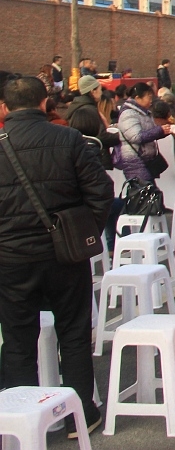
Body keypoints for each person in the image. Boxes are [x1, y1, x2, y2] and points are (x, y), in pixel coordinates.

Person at [0, 76, 112, 438]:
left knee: (18, 339)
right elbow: (101, 191)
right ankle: (80, 414)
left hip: (10, 257)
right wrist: (83, 231)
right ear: (44, 102)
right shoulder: (69, 139)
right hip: (65, 253)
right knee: (74, 332)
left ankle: (25, 420)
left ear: (5, 107)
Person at [114, 81, 172, 185]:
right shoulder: (128, 114)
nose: (151, 100)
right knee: (143, 190)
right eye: (148, 97)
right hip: (134, 160)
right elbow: (136, 137)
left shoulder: (144, 113)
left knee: (143, 190)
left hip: (144, 160)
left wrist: (165, 131)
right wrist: (159, 130)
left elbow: (151, 131)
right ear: (137, 98)